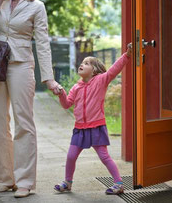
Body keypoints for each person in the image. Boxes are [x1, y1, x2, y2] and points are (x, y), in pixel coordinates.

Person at [0, 0, 62, 198]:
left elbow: (43, 44)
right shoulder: (1, 2)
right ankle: (6, 179)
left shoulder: (37, 6)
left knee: (23, 124)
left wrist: (48, 78)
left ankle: (26, 181)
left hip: (21, 66)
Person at [54, 43, 132, 195]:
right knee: (71, 156)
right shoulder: (76, 87)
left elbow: (114, 70)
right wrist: (61, 94)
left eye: (87, 63)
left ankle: (119, 183)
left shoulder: (101, 80)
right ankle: (68, 182)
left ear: (95, 70)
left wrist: (127, 55)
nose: (82, 65)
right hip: (80, 128)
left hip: (96, 126)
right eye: (82, 63)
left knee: (104, 156)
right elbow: (67, 104)